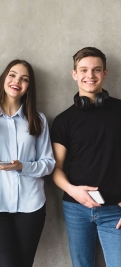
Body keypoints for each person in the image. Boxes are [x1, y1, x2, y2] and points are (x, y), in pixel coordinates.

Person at [0, 59, 55, 267]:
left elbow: (49, 163)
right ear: (4, 79)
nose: (17, 81)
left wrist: (22, 166)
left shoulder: (38, 120)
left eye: (24, 79)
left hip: (31, 206)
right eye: (13, 75)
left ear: (28, 88)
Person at [51, 47, 121, 267]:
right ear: (74, 74)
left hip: (115, 210)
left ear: (105, 73)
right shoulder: (63, 120)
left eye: (96, 70)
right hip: (76, 209)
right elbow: (56, 167)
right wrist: (73, 191)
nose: (90, 76)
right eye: (83, 70)